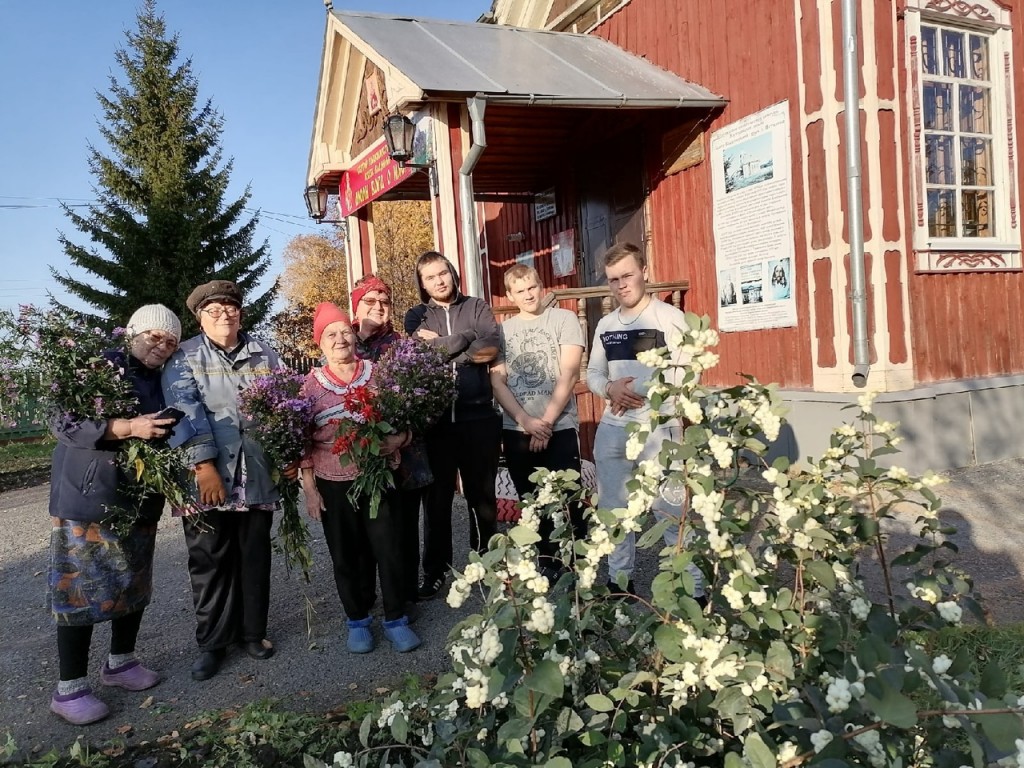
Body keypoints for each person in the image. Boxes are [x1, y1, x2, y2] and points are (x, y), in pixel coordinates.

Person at [48, 305, 182, 725]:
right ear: (134, 333)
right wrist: (126, 427)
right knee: (80, 589)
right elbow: (62, 421)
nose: (162, 346)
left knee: (132, 582)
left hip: (139, 497)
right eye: (154, 336)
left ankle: (121, 663)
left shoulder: (164, 378)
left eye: (170, 341)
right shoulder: (98, 367)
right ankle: (69, 688)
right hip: (90, 498)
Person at [162, 280, 285, 681]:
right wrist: (203, 466)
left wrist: (286, 453)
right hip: (207, 477)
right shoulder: (184, 356)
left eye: (230, 307)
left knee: (253, 556)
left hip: (255, 473)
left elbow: (284, 404)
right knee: (210, 560)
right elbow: (183, 410)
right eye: (213, 310)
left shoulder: (264, 353)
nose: (224, 315)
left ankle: (252, 633)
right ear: (200, 318)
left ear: (241, 314)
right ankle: (213, 643)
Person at [585, 243, 704, 600]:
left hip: (659, 428)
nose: (621, 285)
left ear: (644, 272)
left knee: (670, 510)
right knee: (614, 510)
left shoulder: (669, 317)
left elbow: (689, 372)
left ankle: (693, 589)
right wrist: (610, 388)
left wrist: (639, 390)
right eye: (613, 279)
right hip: (613, 429)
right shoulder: (606, 324)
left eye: (627, 275)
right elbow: (593, 373)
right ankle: (619, 582)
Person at [299, 303, 420, 653]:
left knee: (389, 547)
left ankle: (396, 618)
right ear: (320, 343)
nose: (340, 339)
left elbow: (407, 419)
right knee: (346, 553)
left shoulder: (378, 374)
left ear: (354, 336)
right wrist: (310, 489)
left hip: (378, 476)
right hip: (332, 480)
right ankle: (358, 619)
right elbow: (301, 441)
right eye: (330, 334)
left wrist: (399, 439)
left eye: (344, 332)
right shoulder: (311, 386)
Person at [407, 251, 500, 599]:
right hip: (437, 424)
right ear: (423, 284)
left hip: (478, 419)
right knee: (437, 502)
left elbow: (490, 348)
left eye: (443, 273)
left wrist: (445, 347)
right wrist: (466, 338)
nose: (439, 281)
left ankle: (487, 565)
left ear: (453, 273)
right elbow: (419, 355)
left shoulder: (476, 307)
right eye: (430, 277)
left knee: (482, 498)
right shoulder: (416, 315)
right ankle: (435, 572)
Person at [490, 265, 586, 575]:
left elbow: (569, 373)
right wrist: (525, 420)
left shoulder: (564, 319)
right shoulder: (502, 331)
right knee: (530, 500)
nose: (528, 295)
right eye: (520, 291)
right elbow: (497, 381)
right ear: (510, 296)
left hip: (560, 425)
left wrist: (544, 423)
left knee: (567, 498)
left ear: (541, 286)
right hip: (517, 429)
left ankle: (575, 564)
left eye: (532, 287)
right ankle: (545, 562)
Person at [351, 275, 431, 614]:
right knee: (365, 531)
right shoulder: (342, 343)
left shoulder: (402, 347)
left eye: (384, 302)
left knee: (402, 529)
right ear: (356, 306)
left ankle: (404, 597)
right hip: (359, 459)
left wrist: (402, 436)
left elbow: (427, 402)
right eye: (370, 301)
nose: (379, 307)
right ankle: (365, 599)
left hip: (404, 458)